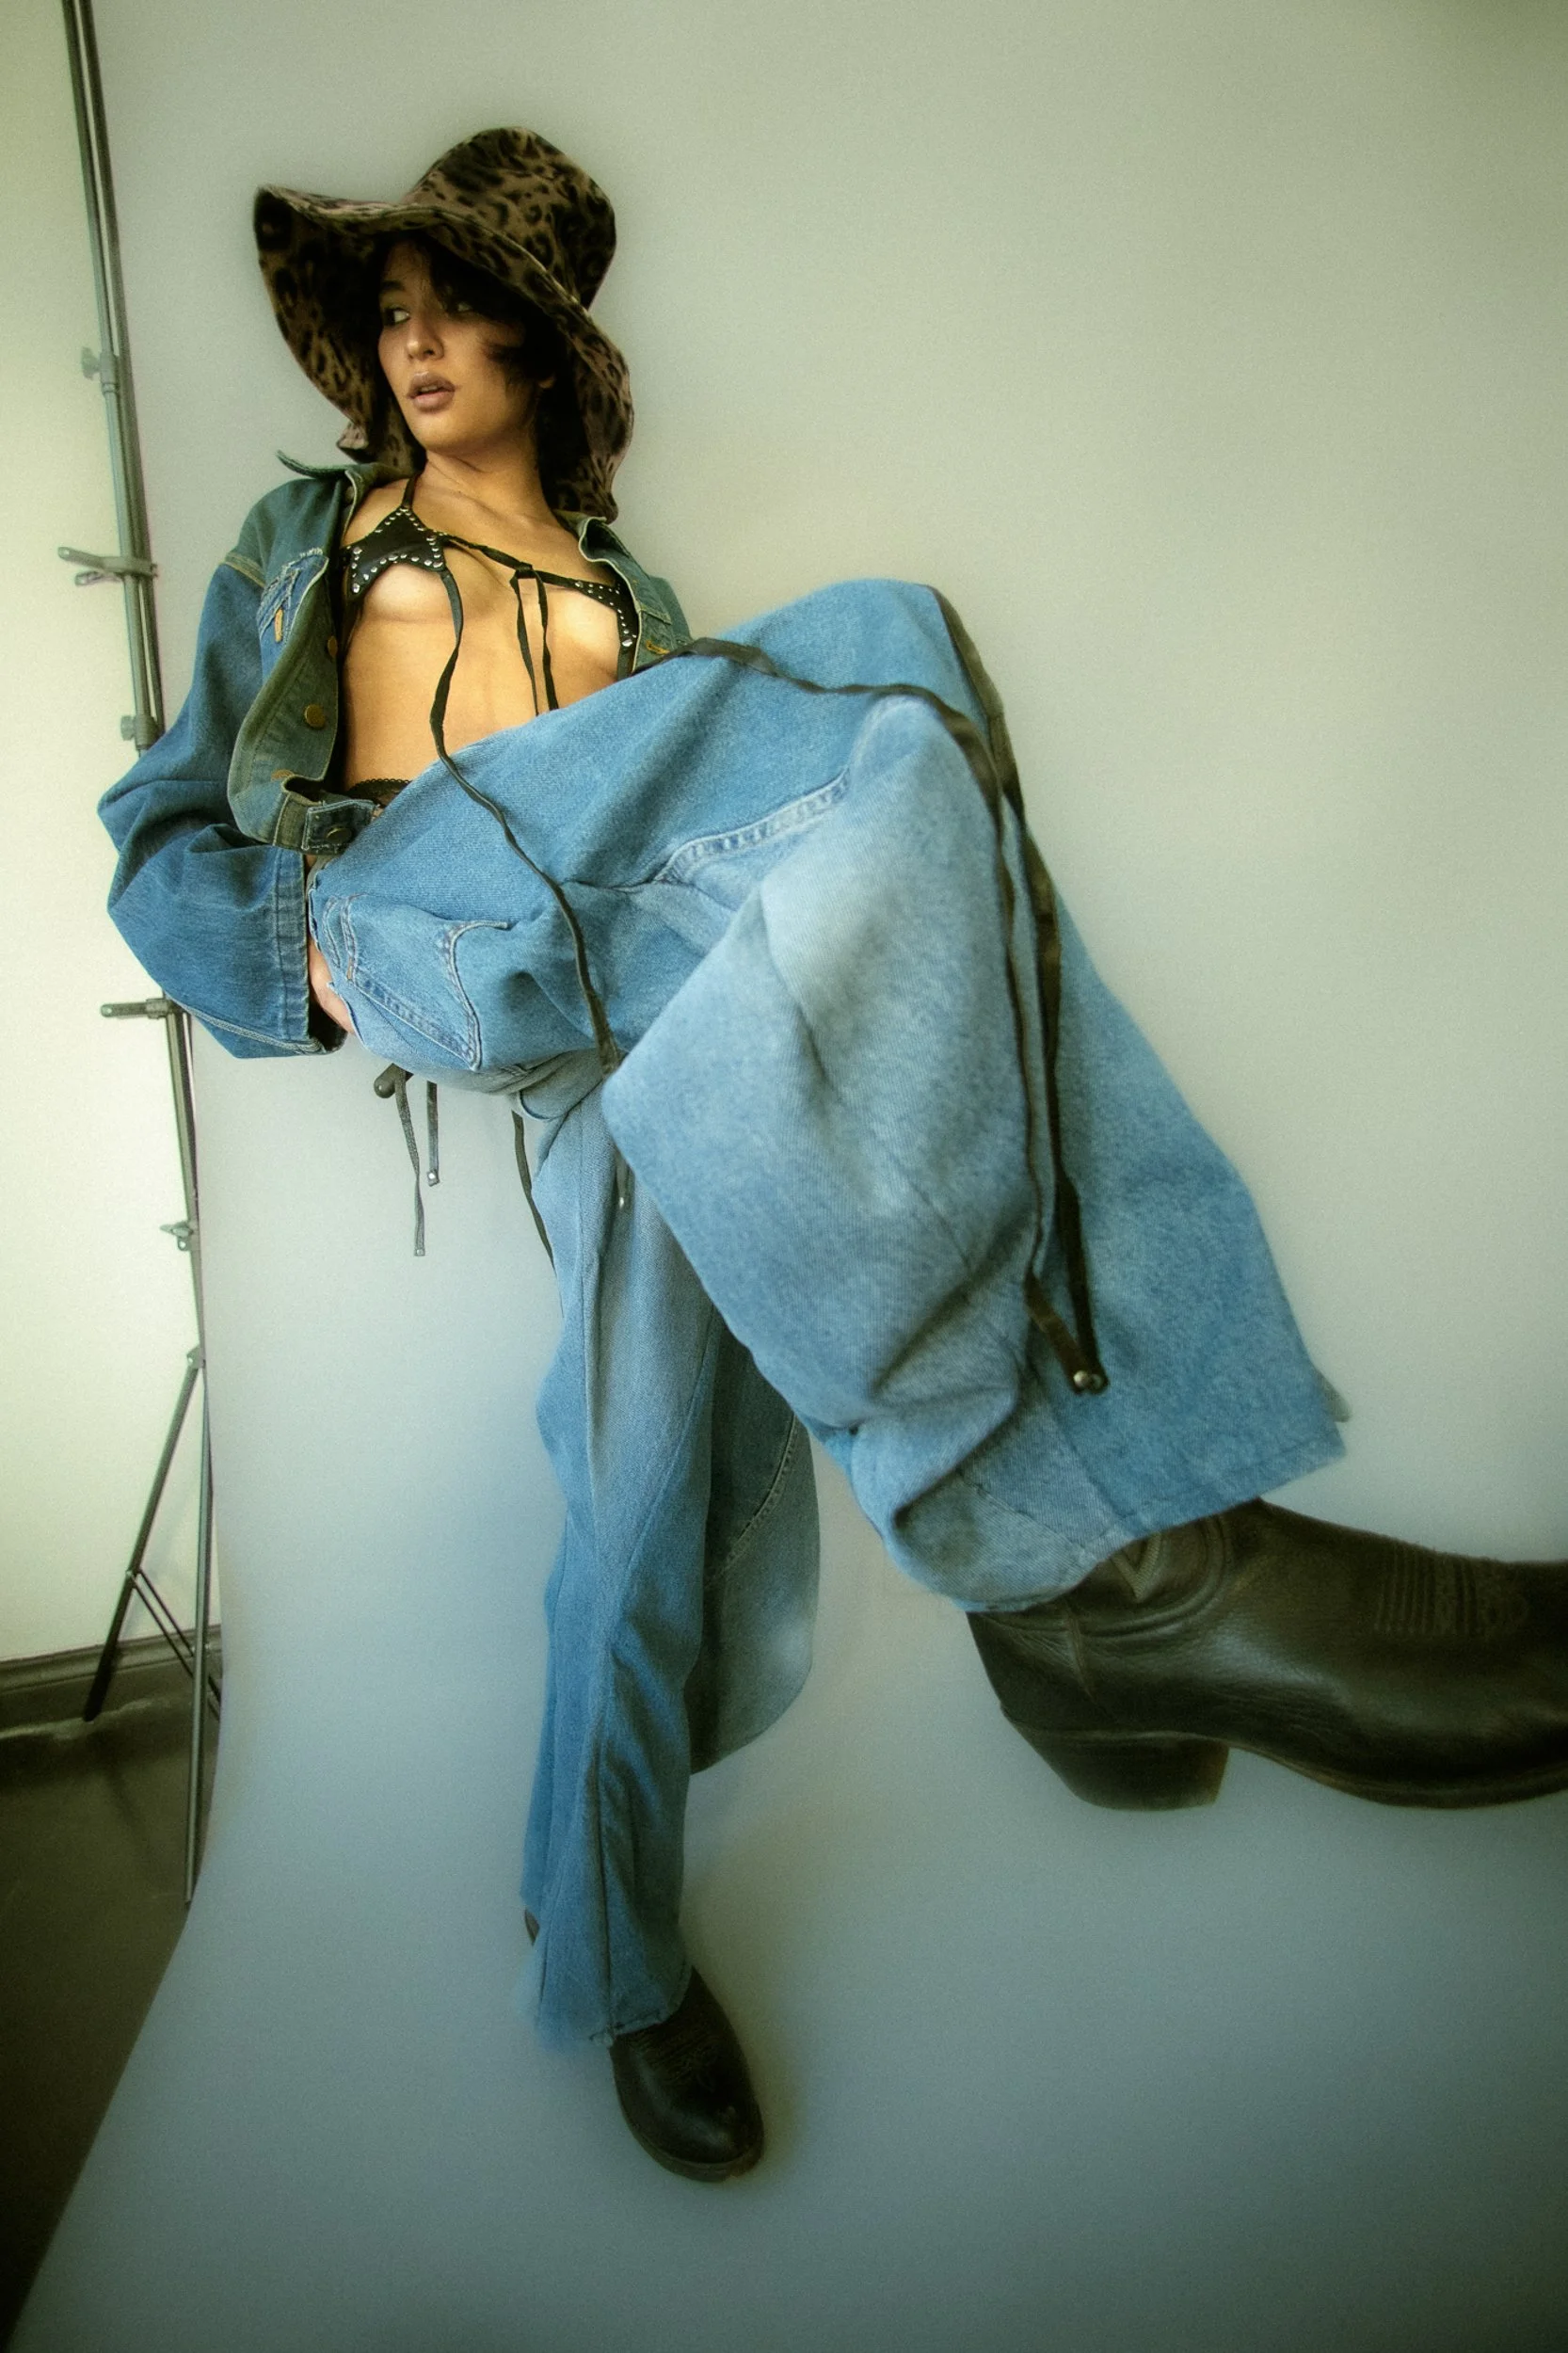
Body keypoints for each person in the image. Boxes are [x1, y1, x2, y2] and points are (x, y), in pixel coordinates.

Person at [99, 126, 1568, 2185]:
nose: (411, 337)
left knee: (641, 1496)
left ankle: (605, 1931)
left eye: (452, 302)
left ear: (541, 339)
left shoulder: (636, 601)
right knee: (891, 641)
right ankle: (1106, 1559)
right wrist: (304, 965)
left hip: (639, 1042)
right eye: (390, 307)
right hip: (415, 922)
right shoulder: (315, 534)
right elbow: (166, 816)